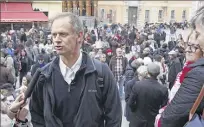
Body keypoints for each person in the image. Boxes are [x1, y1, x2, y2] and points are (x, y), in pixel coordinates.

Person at [29, 12, 122, 127]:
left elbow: (114, 117)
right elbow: (37, 115)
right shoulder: (44, 76)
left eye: (63, 34)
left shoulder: (101, 72)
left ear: (79, 36)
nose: (56, 40)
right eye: (54, 35)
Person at [160, 6, 204, 127]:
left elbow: (169, 118)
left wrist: (160, 118)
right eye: (187, 45)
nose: (188, 49)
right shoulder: (185, 66)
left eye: (194, 46)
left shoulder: (197, 72)